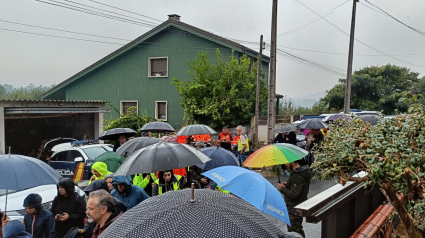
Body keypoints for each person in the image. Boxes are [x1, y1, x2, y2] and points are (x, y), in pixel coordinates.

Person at [277, 161, 312, 238]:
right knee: (298, 229)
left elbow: (294, 194)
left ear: (292, 162)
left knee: (293, 232)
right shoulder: (301, 173)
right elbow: (299, 186)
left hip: (294, 208)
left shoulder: (296, 176)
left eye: (287, 162)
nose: (285, 165)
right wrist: (288, 184)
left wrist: (282, 188)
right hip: (299, 206)